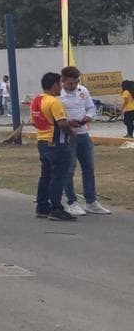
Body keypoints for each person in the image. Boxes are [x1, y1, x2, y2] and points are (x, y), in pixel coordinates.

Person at [59, 66, 110, 215]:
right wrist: (69, 122)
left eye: (76, 82)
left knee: (89, 167)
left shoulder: (83, 91)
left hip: (83, 133)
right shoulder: (58, 95)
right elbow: (56, 115)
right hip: (68, 135)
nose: (73, 86)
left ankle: (91, 201)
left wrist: (88, 117)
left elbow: (91, 108)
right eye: (70, 83)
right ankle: (72, 201)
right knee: (69, 168)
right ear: (63, 81)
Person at [30, 72, 76, 222]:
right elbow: (62, 123)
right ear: (55, 84)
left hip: (42, 141)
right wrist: (72, 132)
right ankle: (56, 208)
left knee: (46, 175)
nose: (61, 87)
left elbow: (35, 121)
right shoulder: (54, 102)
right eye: (60, 83)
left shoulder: (36, 100)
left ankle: (42, 206)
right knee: (58, 176)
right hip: (57, 143)